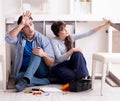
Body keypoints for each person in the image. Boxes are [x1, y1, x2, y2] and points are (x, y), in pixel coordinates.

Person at [5, 11, 55, 92]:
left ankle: (26, 80)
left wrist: (43, 54)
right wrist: (21, 24)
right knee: (18, 79)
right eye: (26, 26)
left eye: (31, 24)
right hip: (24, 72)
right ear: (22, 29)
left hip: (40, 72)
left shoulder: (42, 39)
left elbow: (51, 63)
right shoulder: (19, 37)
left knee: (36, 52)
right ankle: (46, 81)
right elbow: (8, 38)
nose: (30, 29)